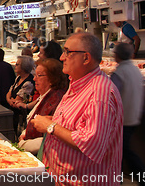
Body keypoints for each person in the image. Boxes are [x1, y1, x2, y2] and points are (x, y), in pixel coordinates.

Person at [31, 32, 123, 184]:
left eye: (67, 52)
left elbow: (90, 142)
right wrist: (56, 120)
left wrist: (51, 126)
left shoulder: (99, 93)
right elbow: (80, 125)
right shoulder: (77, 84)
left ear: (86, 58)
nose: (62, 57)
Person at [110, 43, 145, 186]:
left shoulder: (119, 73)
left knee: (123, 151)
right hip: (134, 116)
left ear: (117, 55)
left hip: (123, 119)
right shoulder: (135, 70)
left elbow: (111, 95)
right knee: (122, 151)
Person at [17, 58, 68, 155]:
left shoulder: (56, 100)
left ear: (52, 79)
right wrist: (24, 134)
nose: (34, 78)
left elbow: (49, 139)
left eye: (39, 75)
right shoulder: (43, 96)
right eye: (35, 74)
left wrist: (23, 144)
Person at [6, 55, 35, 138]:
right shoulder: (18, 78)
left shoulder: (28, 82)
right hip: (14, 114)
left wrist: (10, 99)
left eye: (17, 64)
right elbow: (9, 93)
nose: (15, 65)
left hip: (21, 116)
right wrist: (10, 99)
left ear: (24, 67)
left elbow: (16, 102)